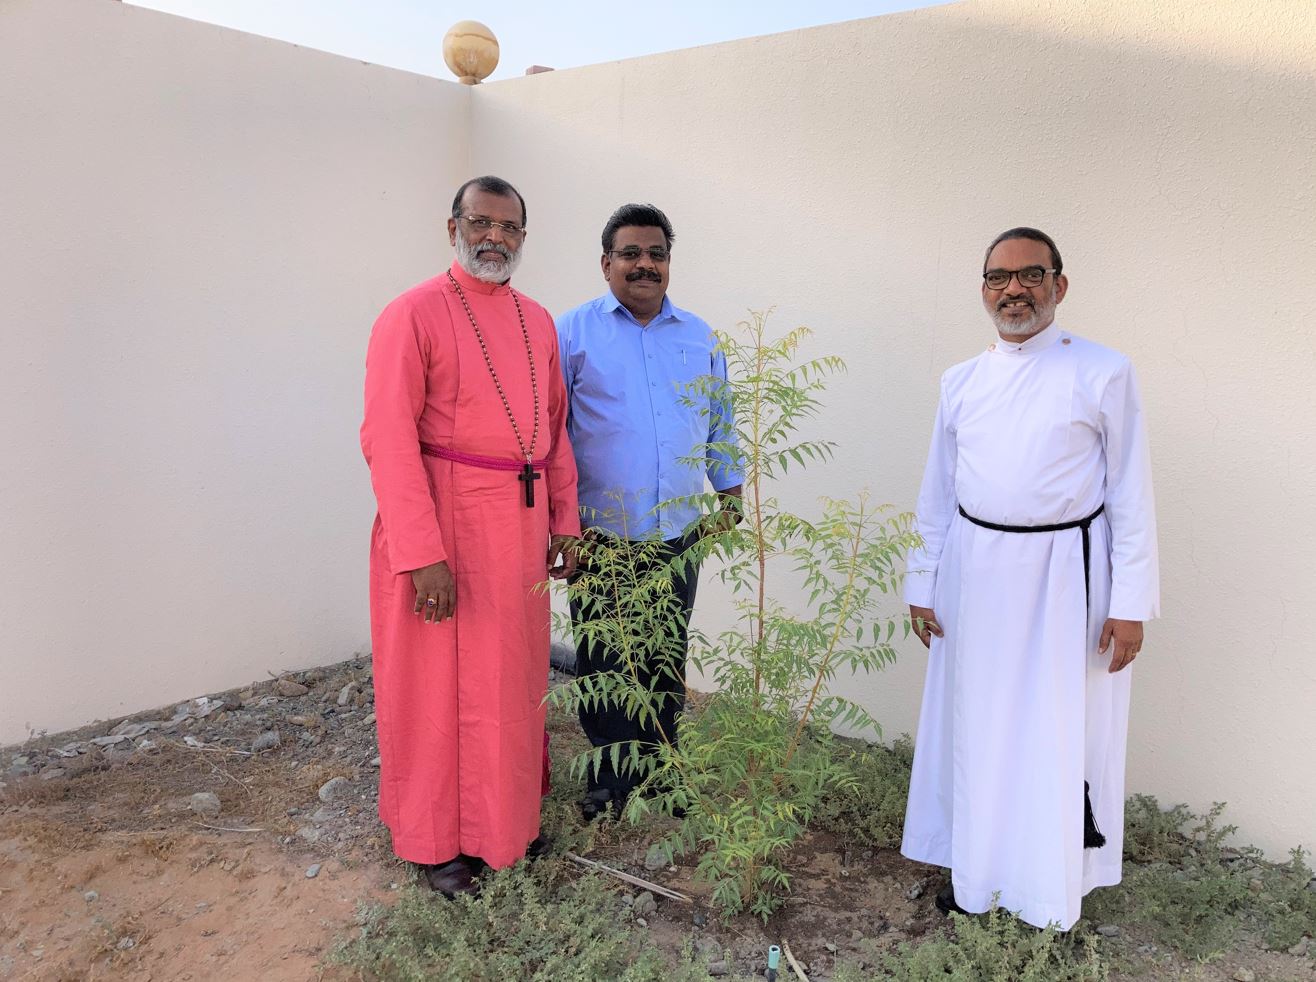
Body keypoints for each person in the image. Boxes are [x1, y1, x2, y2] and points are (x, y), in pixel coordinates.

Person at [901, 227, 1159, 930]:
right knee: (977, 724)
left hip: (1066, 579)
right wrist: (921, 581)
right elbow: (939, 489)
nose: (1013, 290)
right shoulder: (961, 380)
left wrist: (1131, 602)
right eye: (998, 278)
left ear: (1059, 286)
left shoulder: (1103, 371)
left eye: (1030, 275)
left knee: (1054, 729)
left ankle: (1048, 890)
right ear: (983, 289)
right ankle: (975, 878)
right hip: (975, 572)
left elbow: (1131, 491)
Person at [360, 175, 580, 896]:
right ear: (450, 226)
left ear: (524, 236)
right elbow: (388, 440)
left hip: (517, 528)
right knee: (435, 689)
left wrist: (564, 520)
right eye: (481, 223)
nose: (496, 238)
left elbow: (554, 430)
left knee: (508, 681)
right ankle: (434, 842)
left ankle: (503, 826)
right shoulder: (412, 313)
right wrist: (421, 552)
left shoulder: (538, 320)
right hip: (442, 523)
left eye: (510, 228)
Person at [557, 203, 742, 820]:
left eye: (656, 254)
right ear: (606, 262)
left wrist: (730, 490)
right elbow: (550, 432)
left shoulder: (698, 335)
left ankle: (661, 766)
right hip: (601, 533)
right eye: (630, 254)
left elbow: (719, 417)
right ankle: (611, 776)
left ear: (668, 263)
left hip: (678, 530)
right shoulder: (572, 334)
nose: (644, 265)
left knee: (665, 647)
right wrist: (559, 525)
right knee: (605, 654)